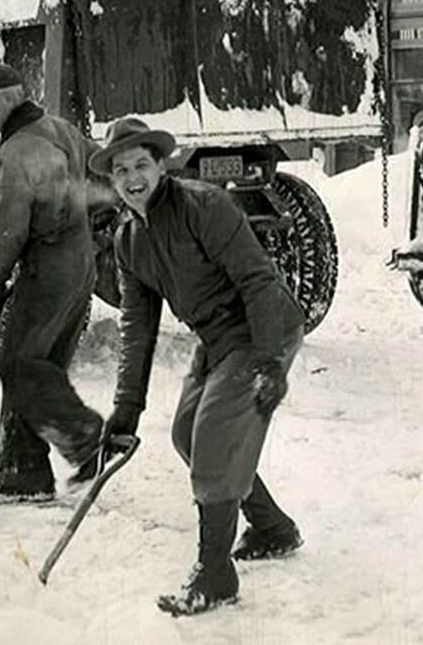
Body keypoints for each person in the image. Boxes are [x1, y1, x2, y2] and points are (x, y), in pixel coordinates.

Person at [98, 116, 306, 618]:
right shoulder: (130, 242)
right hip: (215, 340)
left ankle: (215, 575)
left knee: (215, 434)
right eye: (121, 169)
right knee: (187, 434)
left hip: (262, 327)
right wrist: (125, 410)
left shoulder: (203, 205)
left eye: (141, 164)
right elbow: (138, 328)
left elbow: (258, 281)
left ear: (161, 165)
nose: (132, 178)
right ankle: (273, 527)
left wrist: (272, 362)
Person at [0, 60, 105, 506]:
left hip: (49, 263)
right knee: (42, 364)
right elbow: (100, 172)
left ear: (9, 95)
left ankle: (85, 441)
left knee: (17, 363)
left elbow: (8, 230)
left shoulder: (17, 150)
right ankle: (28, 475)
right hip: (81, 261)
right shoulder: (60, 128)